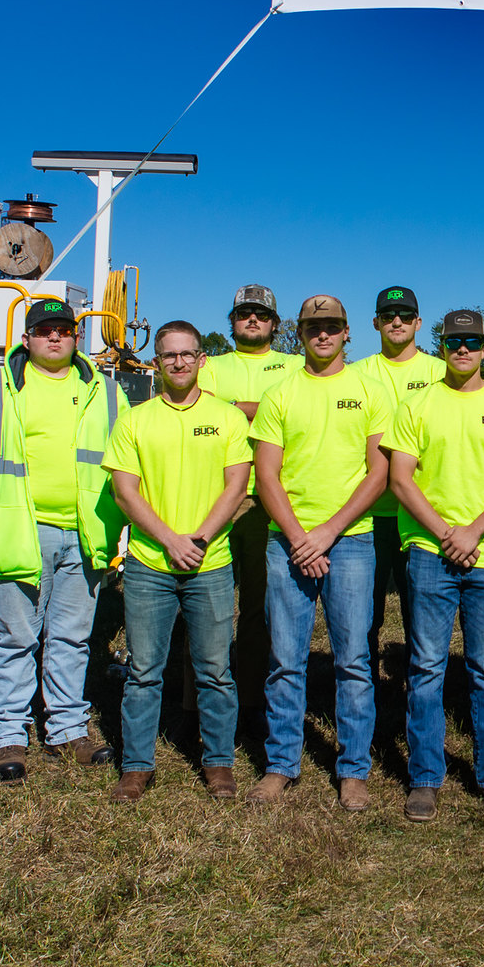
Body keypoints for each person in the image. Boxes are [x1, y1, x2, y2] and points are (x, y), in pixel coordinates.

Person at [0, 296, 123, 786]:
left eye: (63, 329)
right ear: (26, 339)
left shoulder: (105, 392)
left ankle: (67, 729)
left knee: (72, 637)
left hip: (86, 535)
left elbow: (127, 460)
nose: (54, 337)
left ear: (76, 337)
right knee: (15, 639)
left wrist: (118, 523)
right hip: (22, 534)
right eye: (44, 330)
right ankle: (8, 735)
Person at [386, 310, 484, 822]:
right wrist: (446, 533)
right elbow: (401, 479)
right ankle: (426, 777)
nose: (464, 350)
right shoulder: (418, 404)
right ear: (443, 344)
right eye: (455, 342)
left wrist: (473, 531)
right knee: (426, 667)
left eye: (473, 341)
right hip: (430, 553)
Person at [247, 295, 392, 810]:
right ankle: (281, 764)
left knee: (353, 659)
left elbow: (380, 473)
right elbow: (265, 474)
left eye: (332, 327)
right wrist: (298, 536)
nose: (323, 335)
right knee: (285, 659)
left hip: (350, 540)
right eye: (313, 328)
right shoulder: (280, 394)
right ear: (299, 333)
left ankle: (353, 769)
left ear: (348, 332)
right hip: (288, 540)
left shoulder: (371, 391)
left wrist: (328, 531)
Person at [100, 320, 252, 803]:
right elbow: (125, 491)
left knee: (215, 669)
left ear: (202, 360)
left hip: (210, 563)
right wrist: (169, 540)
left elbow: (237, 484)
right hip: (150, 565)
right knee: (145, 671)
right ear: (158, 363)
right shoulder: (135, 420)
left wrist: (200, 538)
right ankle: (137, 766)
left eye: (188, 354)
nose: (179, 363)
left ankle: (219, 764)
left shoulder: (228, 418)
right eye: (169, 356)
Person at [197, 285, 299, 728]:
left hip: (268, 498)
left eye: (261, 314)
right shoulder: (209, 364)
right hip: (215, 496)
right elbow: (199, 409)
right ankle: (197, 703)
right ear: (232, 321)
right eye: (243, 313)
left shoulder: (295, 365)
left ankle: (255, 700)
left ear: (276, 323)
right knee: (205, 604)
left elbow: (296, 414)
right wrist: (261, 408)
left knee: (261, 606)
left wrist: (235, 407)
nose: (252, 320)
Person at [357, 285, 444, 680]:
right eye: (389, 315)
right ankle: (364, 689)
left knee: (420, 613)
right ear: (375, 321)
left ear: (418, 323)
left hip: (422, 512)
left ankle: (418, 689)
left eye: (406, 315)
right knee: (363, 613)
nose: (397, 321)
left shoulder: (442, 372)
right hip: (368, 513)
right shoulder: (355, 374)